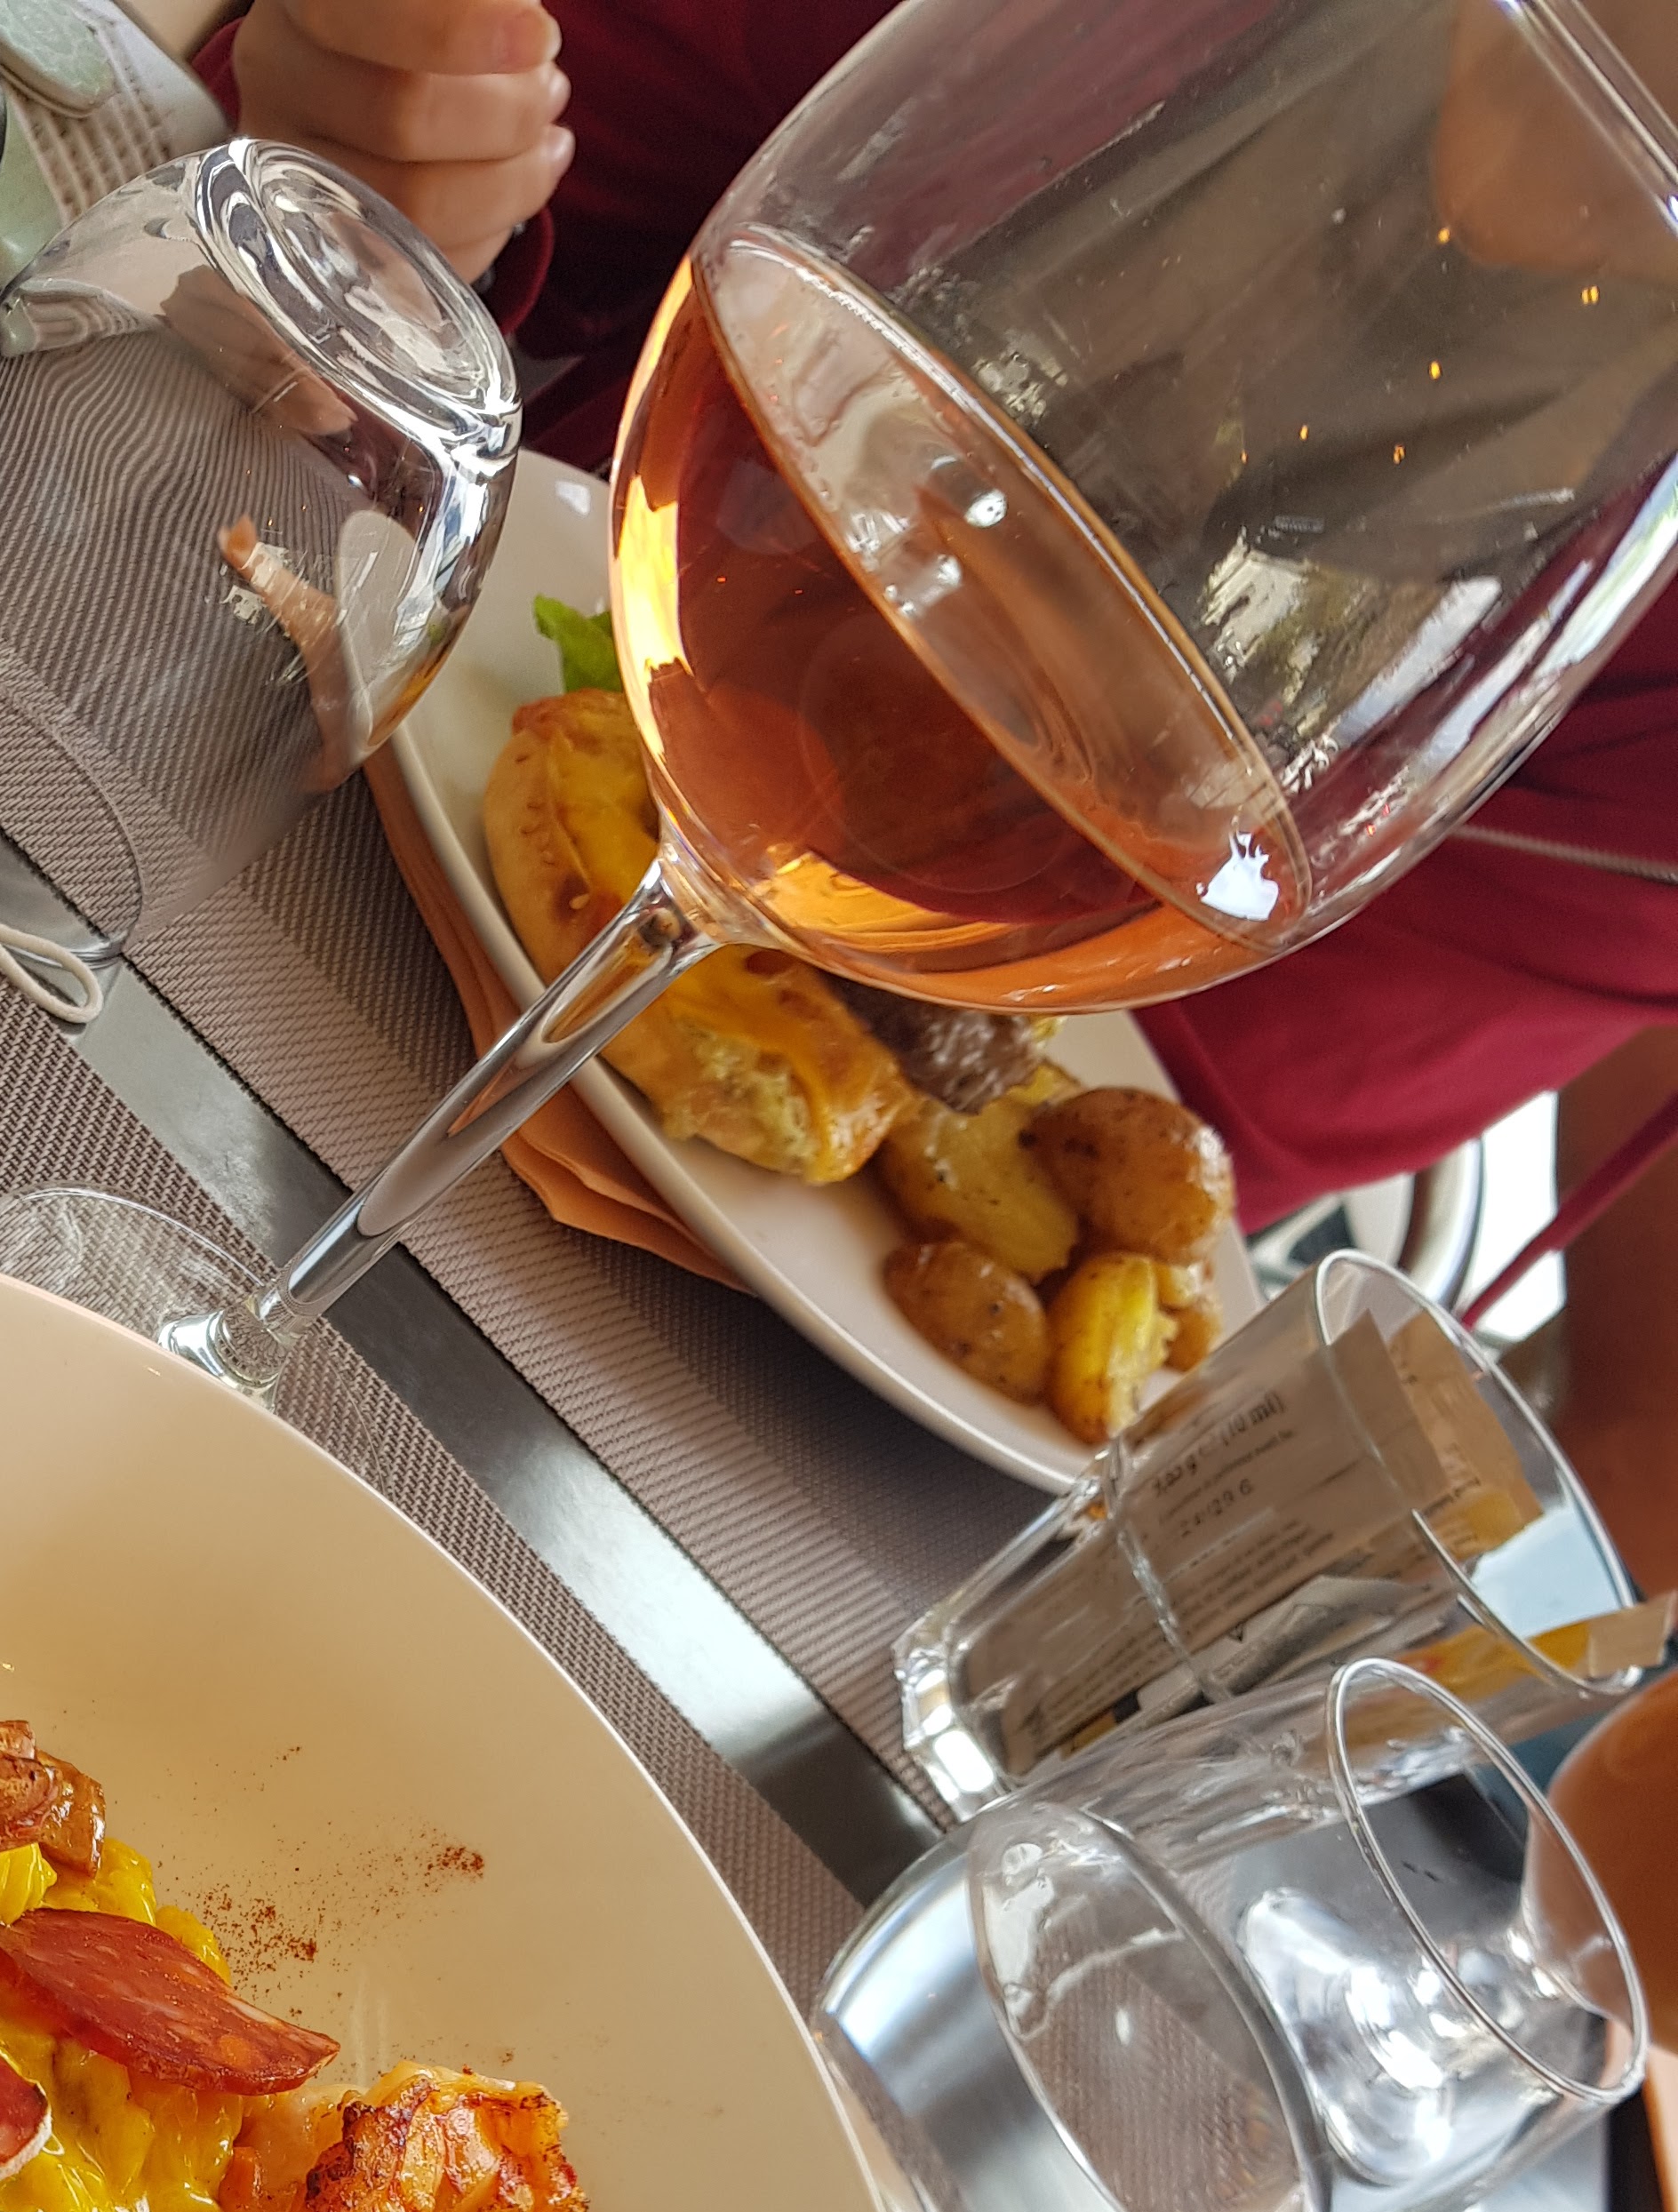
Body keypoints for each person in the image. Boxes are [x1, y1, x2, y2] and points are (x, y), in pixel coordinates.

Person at [200, 0, 1678, 1586]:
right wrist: (384, 181)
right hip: (279, 823)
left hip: (781, 1454)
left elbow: (1628, 1470)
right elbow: (368, 144)